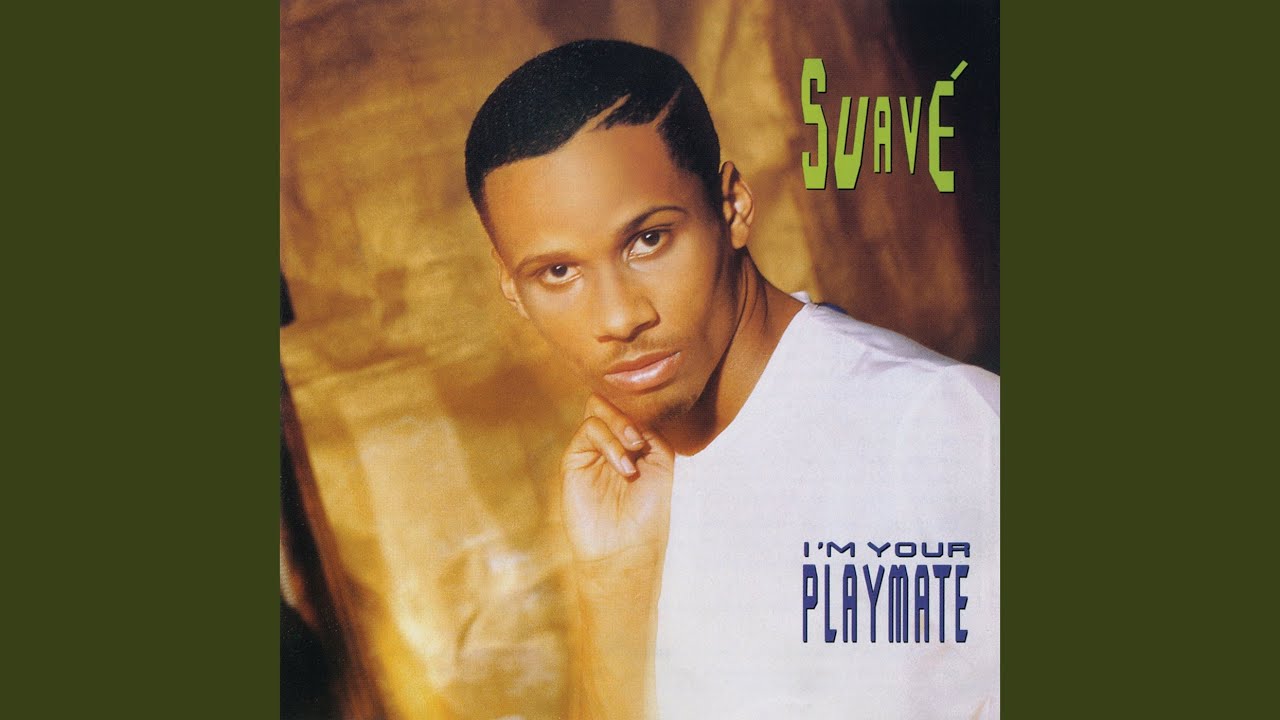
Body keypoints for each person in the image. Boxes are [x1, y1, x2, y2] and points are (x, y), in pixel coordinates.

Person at [464, 39, 999, 719]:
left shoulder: (938, 427)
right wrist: (613, 582)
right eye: (559, 272)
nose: (619, 317)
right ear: (512, 290)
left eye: (648, 240)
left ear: (733, 206)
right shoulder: (624, 499)